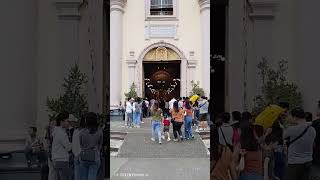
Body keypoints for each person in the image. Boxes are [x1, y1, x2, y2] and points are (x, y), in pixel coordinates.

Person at [284, 107, 316, 180]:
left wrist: (288, 123)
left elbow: (283, 136)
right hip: (308, 161)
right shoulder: (312, 130)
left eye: (290, 116)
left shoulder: (292, 129)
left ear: (295, 117)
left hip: (294, 163)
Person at [79, 112, 103, 180]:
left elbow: (80, 144)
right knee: (92, 175)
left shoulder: (82, 132)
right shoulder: (99, 131)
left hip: (84, 155)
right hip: (95, 155)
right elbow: (100, 144)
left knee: (83, 176)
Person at [52, 112, 72, 180]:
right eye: (67, 121)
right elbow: (69, 148)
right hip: (62, 160)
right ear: (61, 121)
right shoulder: (62, 133)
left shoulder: (55, 131)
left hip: (56, 160)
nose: (68, 123)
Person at [72, 115, 86, 180]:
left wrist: (75, 153)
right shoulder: (85, 132)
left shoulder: (75, 131)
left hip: (75, 154)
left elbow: (73, 143)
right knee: (84, 174)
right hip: (83, 155)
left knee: (77, 174)